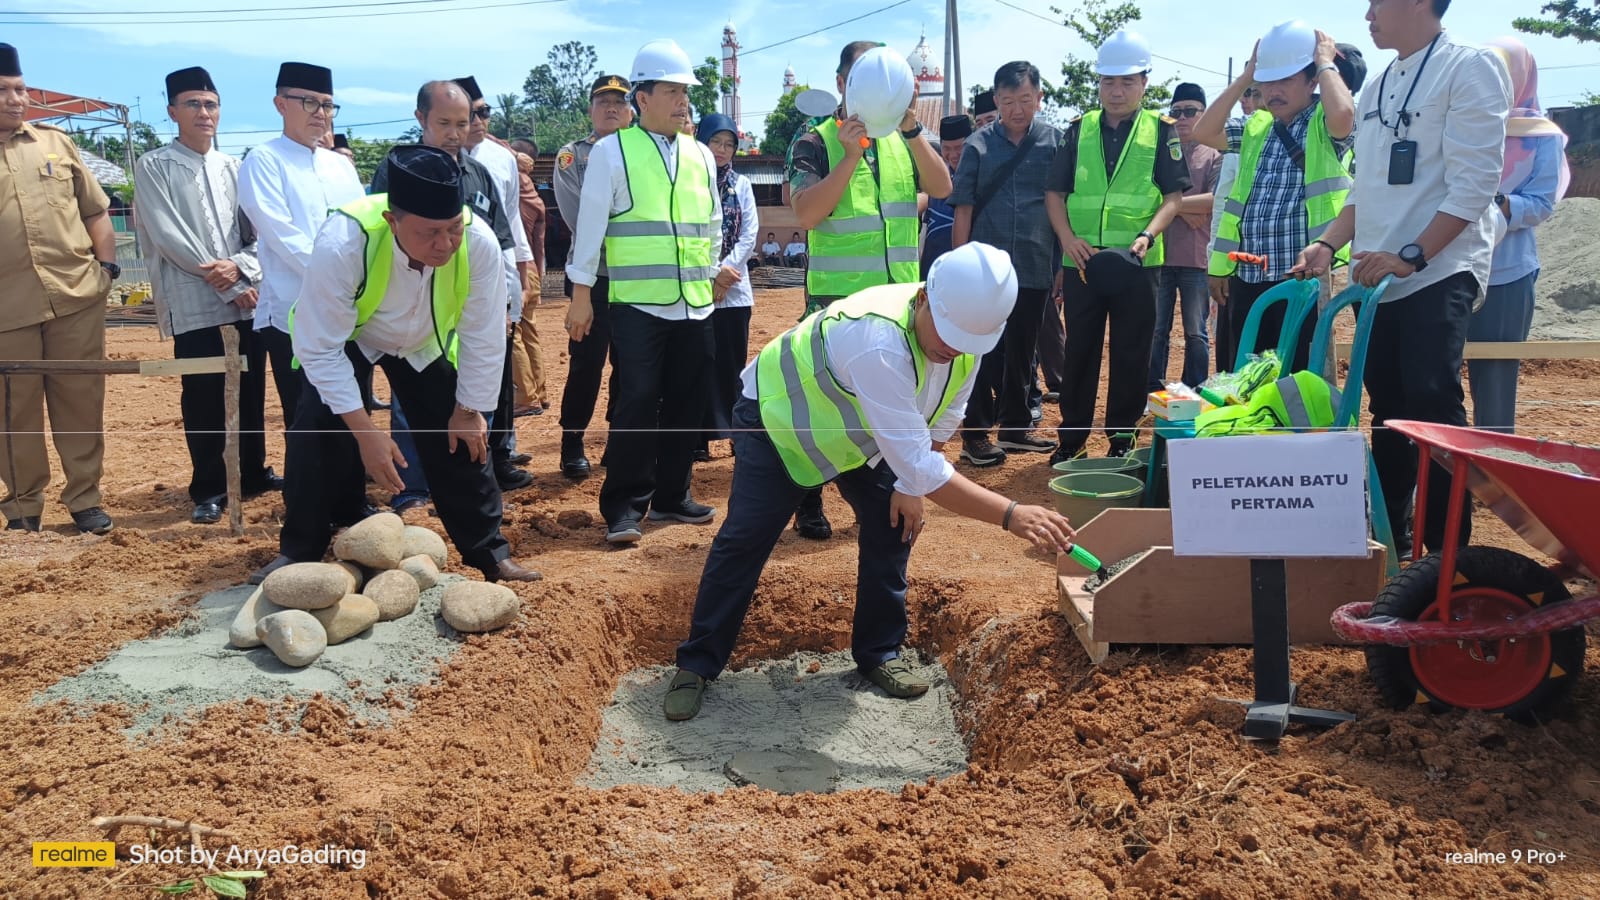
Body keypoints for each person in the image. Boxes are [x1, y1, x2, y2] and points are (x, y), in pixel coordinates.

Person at [661, 243, 1080, 721]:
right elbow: (919, 463)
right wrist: (1010, 514)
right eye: (948, 333)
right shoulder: (878, 340)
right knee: (744, 540)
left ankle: (879, 653)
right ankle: (697, 664)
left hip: (863, 433)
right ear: (924, 297)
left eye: (969, 341)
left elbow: (946, 416)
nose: (953, 348)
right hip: (781, 421)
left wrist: (911, 487)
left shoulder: (968, 338)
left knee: (895, 524)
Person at [249, 145, 542, 585]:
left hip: (422, 342)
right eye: (430, 232)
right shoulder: (344, 240)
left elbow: (483, 333)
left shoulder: (477, 240)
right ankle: (299, 550)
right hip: (350, 336)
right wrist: (366, 432)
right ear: (393, 220)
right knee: (316, 430)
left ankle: (489, 553)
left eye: (452, 229)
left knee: (463, 441)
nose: (444, 244)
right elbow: (320, 347)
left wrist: (469, 410)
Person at [1291, 0, 1511, 554]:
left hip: (1437, 268)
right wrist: (1327, 244)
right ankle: (1385, 539)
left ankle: (1443, 555)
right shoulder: (1382, 82)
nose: (1367, 13)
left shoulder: (1470, 66)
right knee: (1386, 406)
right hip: (1378, 273)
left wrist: (1412, 254)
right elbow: (1366, 190)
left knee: (1432, 402)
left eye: (1377, 2)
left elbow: (1475, 184)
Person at [785, 40, 953, 541]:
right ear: (843, 84)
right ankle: (808, 501)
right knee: (821, 404)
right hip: (834, 305)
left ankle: (880, 498)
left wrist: (912, 129)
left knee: (891, 403)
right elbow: (807, 212)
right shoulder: (814, 140)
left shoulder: (904, 139)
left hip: (897, 304)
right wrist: (848, 155)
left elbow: (942, 188)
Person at [564, 39, 721, 545]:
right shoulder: (613, 151)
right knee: (636, 401)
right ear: (642, 97)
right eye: (672, 91)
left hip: (695, 305)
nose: (682, 102)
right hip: (638, 304)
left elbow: (713, 223)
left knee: (686, 401)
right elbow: (589, 230)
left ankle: (674, 497)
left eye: (686, 93)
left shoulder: (700, 154)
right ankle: (625, 508)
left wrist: (712, 274)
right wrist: (581, 294)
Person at [134, 66, 283, 526]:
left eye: (211, 104)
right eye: (193, 104)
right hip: (194, 300)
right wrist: (233, 282)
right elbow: (167, 235)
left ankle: (253, 473)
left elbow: (258, 232)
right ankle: (209, 487)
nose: (204, 112)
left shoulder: (235, 167)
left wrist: (244, 269)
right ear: (172, 112)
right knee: (202, 393)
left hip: (247, 301)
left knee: (251, 388)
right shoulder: (154, 166)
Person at [371, 81, 530, 503]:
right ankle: (413, 489)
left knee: (476, 386)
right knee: (413, 399)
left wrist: (511, 293)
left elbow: (502, 235)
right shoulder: (396, 170)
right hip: (417, 301)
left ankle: (468, 484)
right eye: (444, 123)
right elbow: (383, 237)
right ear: (421, 119)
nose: (456, 132)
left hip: (472, 299)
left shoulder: (478, 172)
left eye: (464, 122)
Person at [1045, 30, 1189, 463]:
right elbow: (1054, 193)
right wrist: (1067, 240)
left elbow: (1174, 197)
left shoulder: (1160, 132)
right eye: (1109, 81)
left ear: (1144, 83)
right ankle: (1071, 441)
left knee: (1132, 353)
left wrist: (1147, 236)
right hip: (1084, 263)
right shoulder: (1078, 130)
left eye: (1127, 81)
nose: (1117, 90)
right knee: (1080, 353)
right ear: (1099, 83)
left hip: (1138, 265)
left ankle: (1121, 440)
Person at [0, 42, 119, 534]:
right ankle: (24, 507)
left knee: (80, 400)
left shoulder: (56, 144)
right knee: (13, 411)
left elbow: (95, 211)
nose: (15, 100)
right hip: (6, 310)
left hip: (76, 296)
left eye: (20, 89)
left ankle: (85, 499)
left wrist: (106, 272)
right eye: (3, 91)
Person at [1195, 21, 1355, 376]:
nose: (1273, 90)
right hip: (1249, 276)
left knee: (1295, 378)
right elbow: (1204, 131)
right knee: (1248, 379)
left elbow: (1344, 117)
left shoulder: (1321, 122)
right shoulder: (1257, 126)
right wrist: (1246, 76)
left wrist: (1325, 62)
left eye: (1286, 80)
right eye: (1267, 81)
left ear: (1311, 80)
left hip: (1301, 278)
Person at [238, 62, 365, 431]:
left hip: (350, 309)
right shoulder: (264, 160)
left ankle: (353, 487)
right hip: (294, 311)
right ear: (281, 104)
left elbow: (362, 227)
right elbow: (280, 233)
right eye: (310, 103)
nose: (321, 114)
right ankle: (311, 491)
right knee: (308, 416)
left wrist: (359, 282)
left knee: (352, 409)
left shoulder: (339, 167)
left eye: (327, 105)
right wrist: (338, 279)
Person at [950, 60, 1062, 465]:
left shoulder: (1055, 142)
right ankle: (975, 435)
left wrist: (1061, 263)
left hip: (1035, 263)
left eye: (1026, 100)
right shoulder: (978, 145)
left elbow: (1061, 206)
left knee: (1023, 350)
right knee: (980, 353)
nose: (1017, 109)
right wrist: (957, 266)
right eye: (1009, 100)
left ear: (1039, 98)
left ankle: (1016, 429)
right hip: (984, 271)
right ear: (996, 100)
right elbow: (963, 208)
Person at [1469, 37, 1568, 434]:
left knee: (1495, 380)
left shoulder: (1541, 136)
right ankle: (1446, 480)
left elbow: (1541, 202)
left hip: (1507, 274)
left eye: (1501, 73)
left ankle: (1491, 472)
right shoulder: (1463, 123)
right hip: (1448, 267)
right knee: (1437, 378)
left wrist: (1497, 206)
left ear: (1521, 78)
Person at [553, 73, 633, 481]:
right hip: (592, 276)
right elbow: (577, 217)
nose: (612, 107)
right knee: (586, 363)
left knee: (630, 363)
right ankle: (572, 442)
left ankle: (619, 442)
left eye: (619, 101)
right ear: (590, 108)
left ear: (631, 108)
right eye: (603, 101)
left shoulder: (641, 152)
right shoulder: (573, 156)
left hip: (635, 278)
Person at [457, 76, 536, 484]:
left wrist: (520, 280)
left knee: (499, 373)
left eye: (485, 112)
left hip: (499, 281)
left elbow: (512, 226)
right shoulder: (429, 159)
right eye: (472, 114)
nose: (479, 121)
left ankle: (500, 455)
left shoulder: (500, 159)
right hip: (448, 290)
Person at [693, 114, 760, 459]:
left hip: (734, 292)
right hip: (696, 288)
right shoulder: (688, 182)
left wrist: (727, 272)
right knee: (697, 363)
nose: (721, 150)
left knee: (733, 365)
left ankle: (737, 433)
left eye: (728, 144)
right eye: (715, 142)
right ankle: (699, 438)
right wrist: (710, 273)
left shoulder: (742, 185)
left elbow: (749, 233)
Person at [1149, 83, 1222, 391]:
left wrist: (1172, 205)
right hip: (1161, 256)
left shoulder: (1215, 155)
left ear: (1203, 114)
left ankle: (1195, 389)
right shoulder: (1160, 154)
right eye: (1176, 112)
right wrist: (1185, 209)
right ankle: (1151, 388)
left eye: (1190, 111)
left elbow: (1215, 201)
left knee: (1196, 331)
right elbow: (1152, 199)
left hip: (1196, 258)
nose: (1182, 118)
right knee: (1156, 329)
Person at [509, 139, 550, 418]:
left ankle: (526, 398)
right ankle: (540, 393)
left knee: (512, 335)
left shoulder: (513, 188)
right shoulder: (535, 197)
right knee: (529, 332)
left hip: (516, 269)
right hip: (533, 271)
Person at [921, 114, 970, 279]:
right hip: (933, 276)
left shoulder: (983, 180)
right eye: (947, 149)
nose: (953, 154)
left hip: (968, 275)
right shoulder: (937, 183)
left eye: (959, 147)